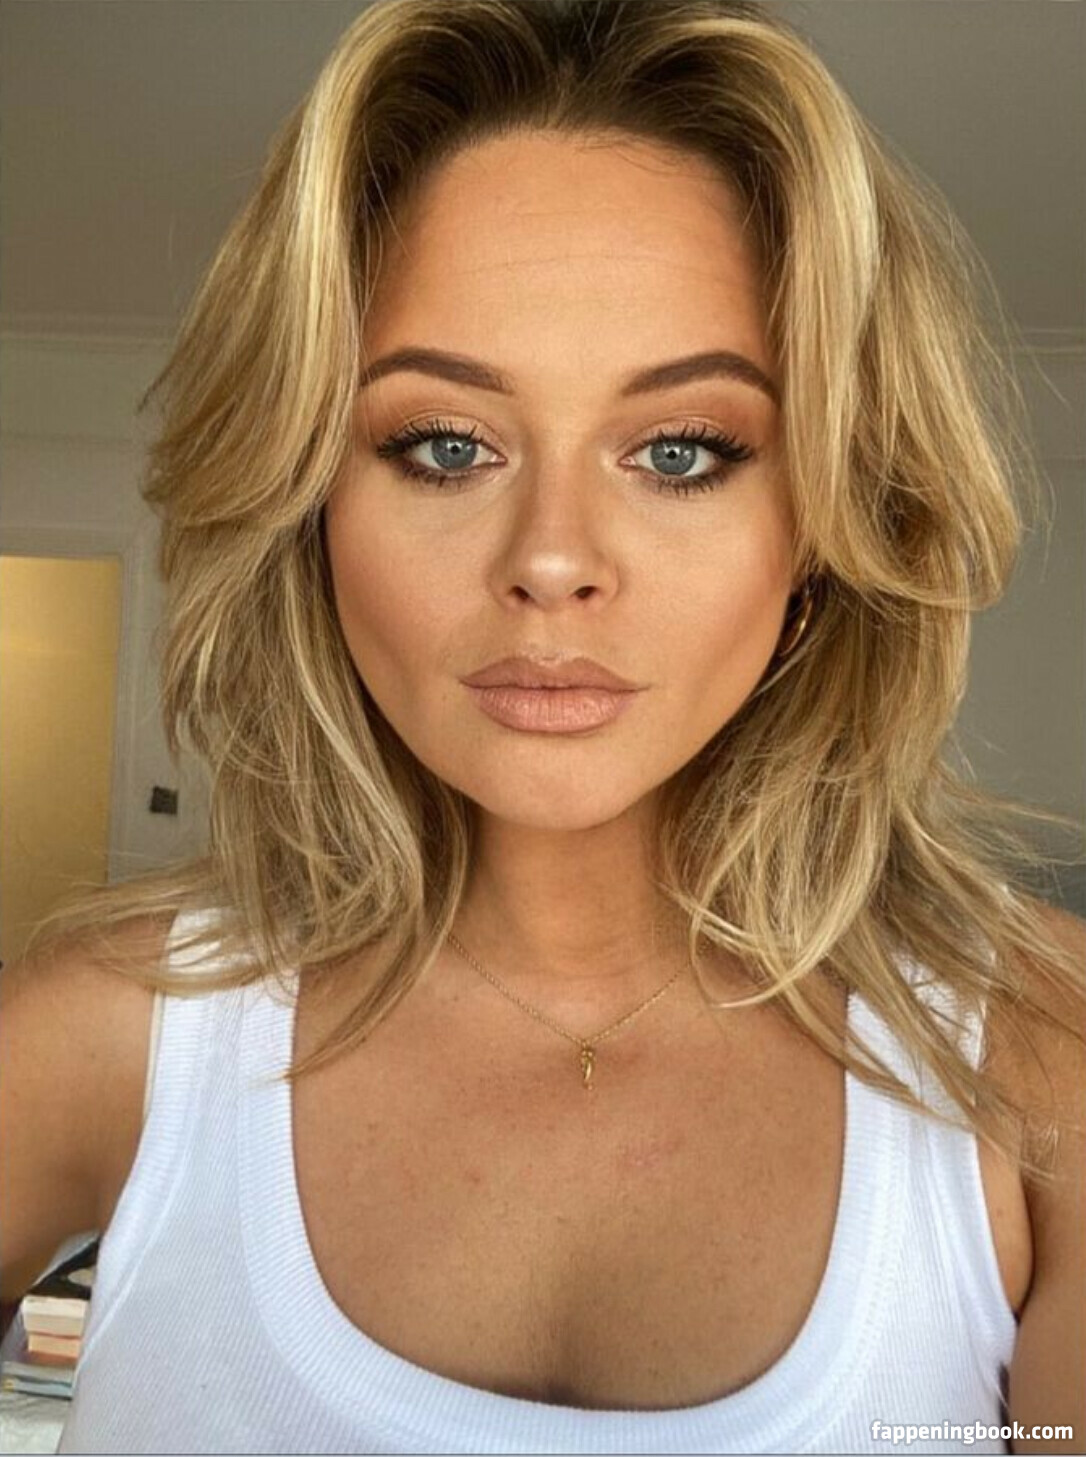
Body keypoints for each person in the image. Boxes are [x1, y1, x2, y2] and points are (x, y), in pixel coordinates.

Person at [1, 1, 1083, 1452]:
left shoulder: (1039, 1059)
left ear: (828, 516)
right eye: (445, 446)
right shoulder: (101, 1035)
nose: (553, 559)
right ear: (307, 500)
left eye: (681, 451)